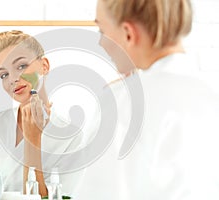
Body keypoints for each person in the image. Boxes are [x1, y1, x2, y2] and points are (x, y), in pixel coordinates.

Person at [91, 0, 219, 199]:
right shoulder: (211, 94)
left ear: (128, 34)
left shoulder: (122, 103)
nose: (101, 43)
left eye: (101, 30)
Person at [0, 30, 85, 198]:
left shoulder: (72, 137)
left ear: (44, 66)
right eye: (4, 74)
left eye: (21, 66)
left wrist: (33, 140)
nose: (12, 79)